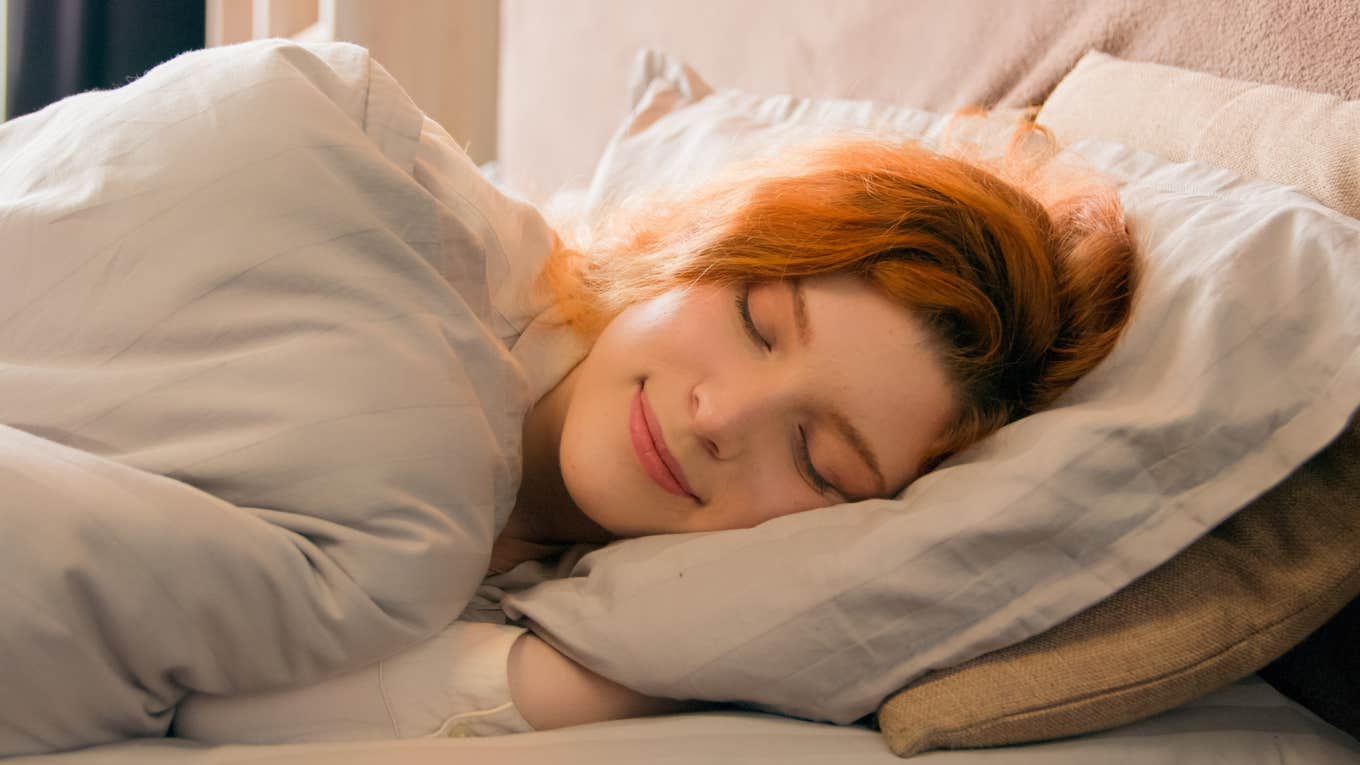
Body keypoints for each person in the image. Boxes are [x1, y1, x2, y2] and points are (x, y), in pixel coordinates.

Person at [173, 126, 1139, 742]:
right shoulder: (426, 269)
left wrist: (619, 679)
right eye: (757, 322)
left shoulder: (605, 611)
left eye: (819, 459)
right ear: (699, 252)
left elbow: (210, 694)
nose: (718, 417)